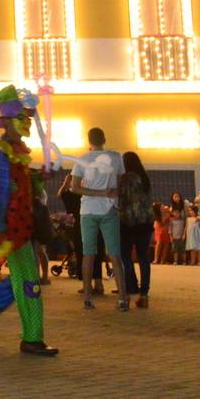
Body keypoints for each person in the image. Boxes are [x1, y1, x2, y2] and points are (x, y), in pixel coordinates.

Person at [0, 85, 59, 356]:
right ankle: (32, 338)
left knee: (22, 279)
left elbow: (22, 184)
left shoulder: (16, 151)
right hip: (11, 228)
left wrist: (40, 176)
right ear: (7, 122)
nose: (28, 122)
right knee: (29, 283)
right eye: (23, 118)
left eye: (28, 118)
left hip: (21, 225)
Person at [68, 127, 129, 312]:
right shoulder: (116, 157)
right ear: (104, 138)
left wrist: (96, 192)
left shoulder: (82, 160)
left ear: (89, 141)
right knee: (115, 255)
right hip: (109, 209)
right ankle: (122, 299)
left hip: (87, 211)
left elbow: (74, 188)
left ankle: (87, 297)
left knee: (88, 255)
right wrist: (106, 192)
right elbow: (121, 182)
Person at [118, 151, 155, 308]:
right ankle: (144, 294)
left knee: (125, 257)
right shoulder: (145, 178)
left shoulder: (125, 178)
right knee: (143, 259)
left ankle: (130, 289)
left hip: (128, 222)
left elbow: (121, 200)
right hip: (145, 222)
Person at [168, 190, 189, 264]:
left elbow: (187, 216)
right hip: (175, 234)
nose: (176, 198)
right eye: (174, 196)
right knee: (175, 249)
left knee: (183, 249)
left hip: (184, 226)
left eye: (177, 196)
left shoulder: (184, 204)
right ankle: (176, 261)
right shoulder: (172, 206)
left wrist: (184, 232)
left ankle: (184, 261)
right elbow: (170, 217)